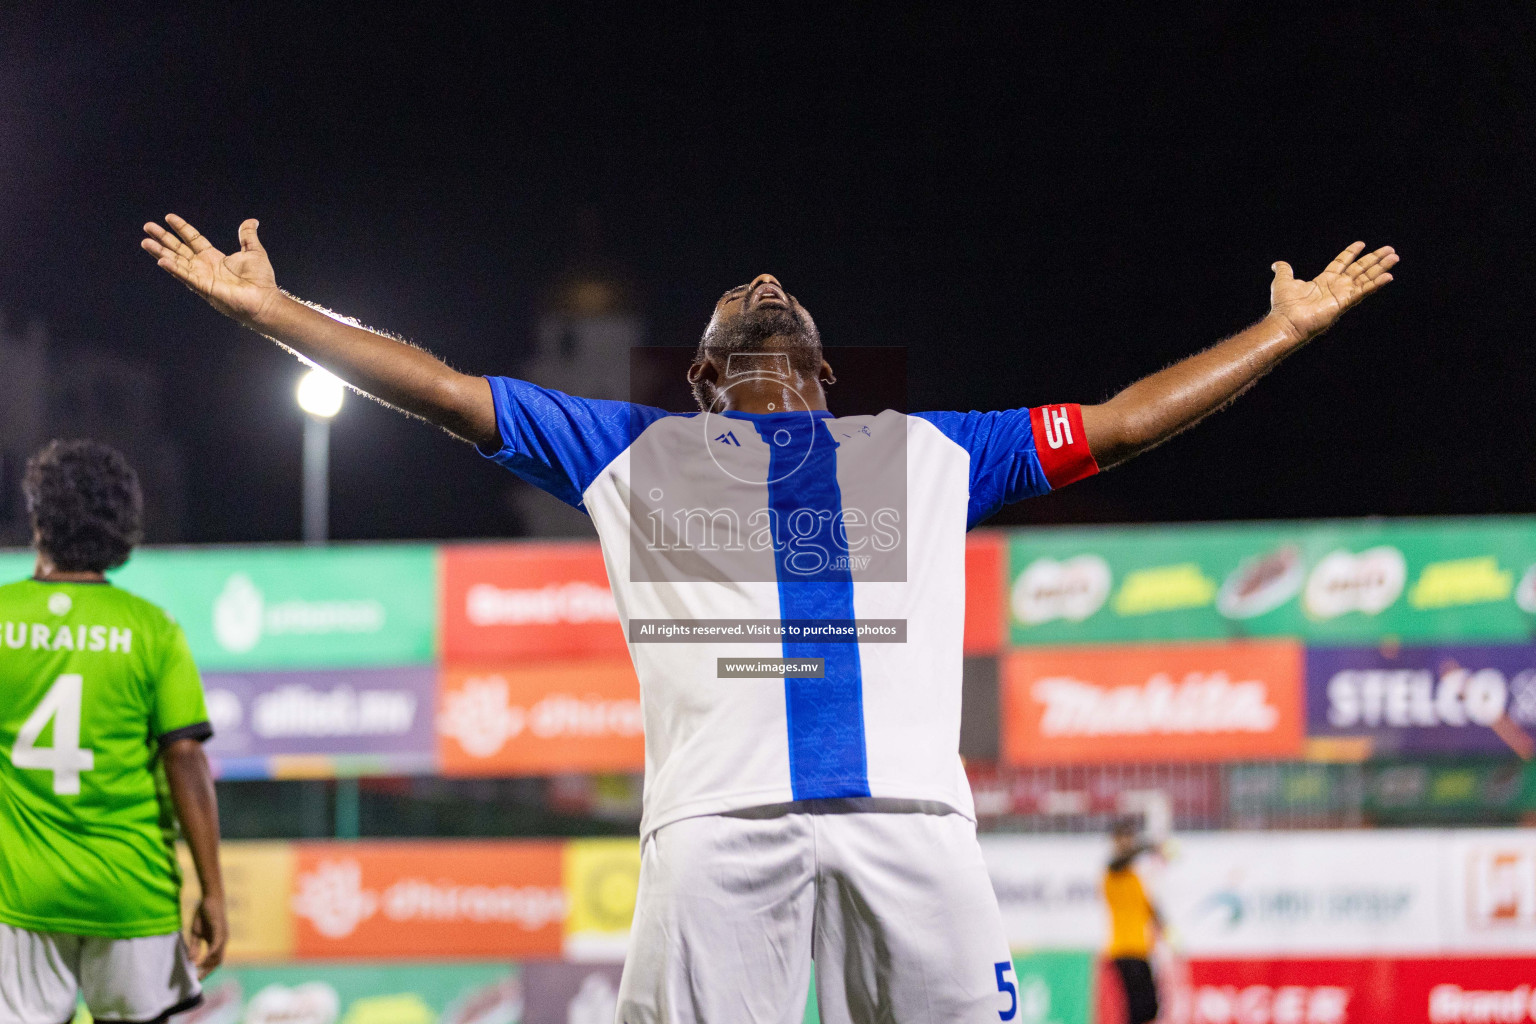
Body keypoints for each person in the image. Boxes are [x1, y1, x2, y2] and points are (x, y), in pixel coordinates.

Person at [142, 213, 1395, 1023]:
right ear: (700, 377)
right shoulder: (630, 450)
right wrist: (279, 315)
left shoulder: (929, 452)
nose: (764, 278)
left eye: (778, 288)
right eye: (741, 290)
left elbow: (1120, 425)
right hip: (714, 835)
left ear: (823, 368)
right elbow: (440, 391)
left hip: (913, 829)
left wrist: (1278, 331)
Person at [0, 440, 226, 1024]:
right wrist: (213, 893)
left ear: (39, 521)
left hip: (18, 896)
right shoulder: (154, 630)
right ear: (123, 528)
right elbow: (186, 759)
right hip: (131, 892)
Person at [1104, 819, 1165, 1024]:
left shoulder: (1134, 876)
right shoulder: (1113, 870)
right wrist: (1148, 846)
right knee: (1137, 1009)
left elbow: (1149, 907)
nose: (1127, 843)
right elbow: (1120, 860)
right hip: (1124, 948)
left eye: (1130, 838)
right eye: (1123, 838)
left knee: (1149, 1008)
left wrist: (1163, 925)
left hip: (1142, 948)